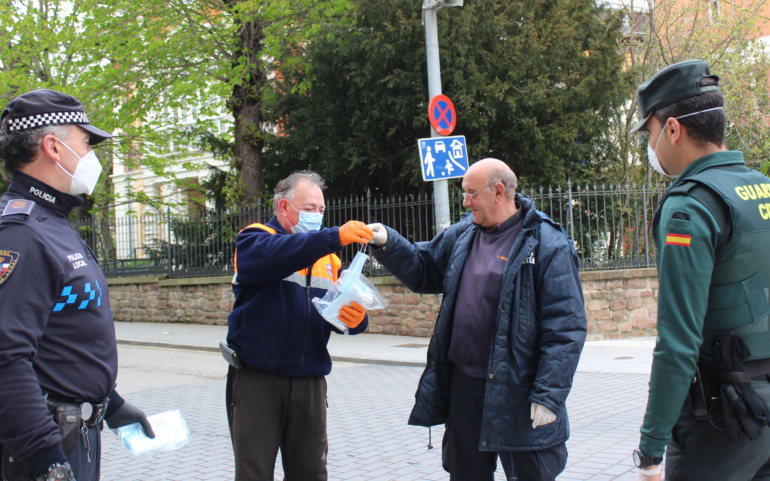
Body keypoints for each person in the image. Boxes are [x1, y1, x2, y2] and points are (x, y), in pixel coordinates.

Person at [367, 158, 587, 481]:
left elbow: (566, 327)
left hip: (519, 392)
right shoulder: (463, 235)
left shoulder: (546, 243)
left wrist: (548, 395)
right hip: (465, 388)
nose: (465, 201)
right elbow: (424, 267)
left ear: (499, 192)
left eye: (471, 193)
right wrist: (388, 241)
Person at [0, 89, 155, 481]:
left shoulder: (54, 223)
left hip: (76, 433)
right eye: (85, 142)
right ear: (53, 146)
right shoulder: (21, 234)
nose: (91, 155)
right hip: (44, 450)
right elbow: (6, 357)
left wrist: (112, 404)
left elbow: (62, 335)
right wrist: (48, 461)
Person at [629, 60, 770, 480]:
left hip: (723, 418)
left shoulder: (689, 207)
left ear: (673, 129)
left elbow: (678, 341)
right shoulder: (761, 188)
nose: (651, 147)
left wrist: (651, 447)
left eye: (650, 134)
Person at [224, 170, 374, 481]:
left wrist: (358, 321)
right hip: (258, 381)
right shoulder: (254, 238)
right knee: (254, 473)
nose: (317, 217)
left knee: (311, 473)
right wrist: (333, 236)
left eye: (321, 211)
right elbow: (279, 255)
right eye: (309, 209)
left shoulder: (328, 260)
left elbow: (339, 308)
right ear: (283, 208)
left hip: (309, 383)